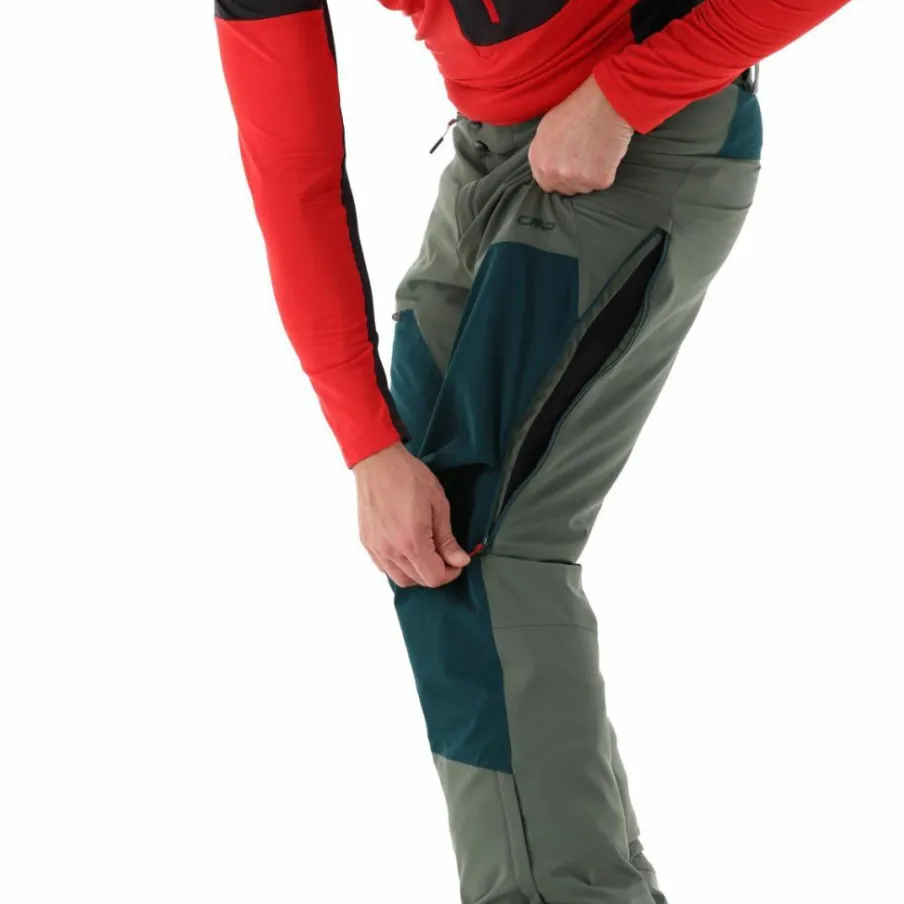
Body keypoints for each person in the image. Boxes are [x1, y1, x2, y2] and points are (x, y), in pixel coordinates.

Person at [215, 2, 849, 901]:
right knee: (431, 552)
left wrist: (625, 95)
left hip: (635, 139)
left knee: (494, 543)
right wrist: (368, 447)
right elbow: (291, 175)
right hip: (484, 163)